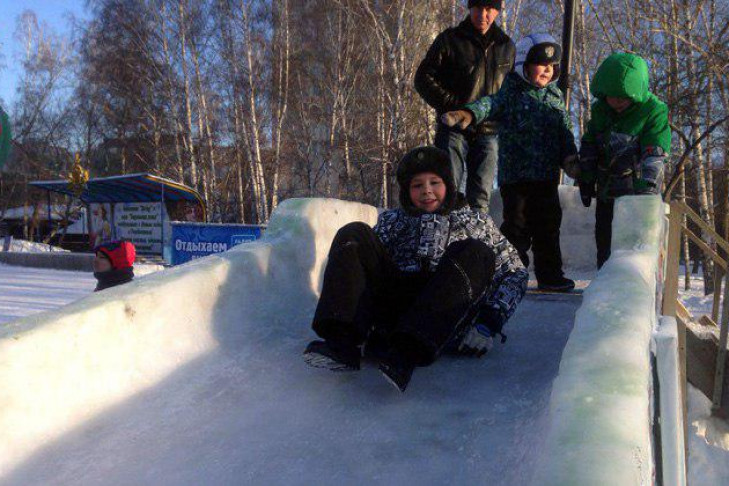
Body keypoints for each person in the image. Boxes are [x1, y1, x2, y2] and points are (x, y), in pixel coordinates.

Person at [303, 146, 527, 392]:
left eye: (434, 182)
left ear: (449, 185)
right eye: (417, 185)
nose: (426, 191)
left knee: (475, 251)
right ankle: (343, 342)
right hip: (393, 310)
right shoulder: (393, 221)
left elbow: (515, 273)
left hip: (443, 317)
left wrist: (489, 321)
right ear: (407, 191)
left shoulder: (477, 222)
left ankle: (406, 353)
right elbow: (363, 268)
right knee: (354, 234)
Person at [440, 33, 578, 291]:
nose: (547, 70)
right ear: (523, 65)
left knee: (548, 227)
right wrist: (469, 113)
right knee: (517, 227)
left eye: (551, 65)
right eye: (540, 64)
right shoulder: (511, 92)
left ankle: (550, 276)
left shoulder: (555, 98)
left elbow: (565, 131)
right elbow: (489, 104)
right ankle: (510, 273)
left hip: (546, 177)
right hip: (517, 178)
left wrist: (571, 159)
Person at [414, 0, 515, 210]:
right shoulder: (450, 39)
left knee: (480, 197)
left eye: (489, 9)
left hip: (489, 130)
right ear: (470, 8)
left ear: (497, 10)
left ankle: (475, 241)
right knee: (446, 191)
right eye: (478, 8)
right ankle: (442, 238)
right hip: (454, 129)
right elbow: (423, 78)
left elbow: (512, 89)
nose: (483, 14)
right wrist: (453, 105)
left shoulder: (506, 46)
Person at [577, 52, 671, 268]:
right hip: (607, 191)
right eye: (612, 96)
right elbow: (590, 145)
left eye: (623, 97)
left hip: (636, 195)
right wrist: (586, 179)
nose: (616, 102)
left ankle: (628, 287)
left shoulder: (652, 111)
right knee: (605, 239)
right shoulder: (601, 110)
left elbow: (654, 152)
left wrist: (647, 191)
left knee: (630, 247)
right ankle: (604, 283)